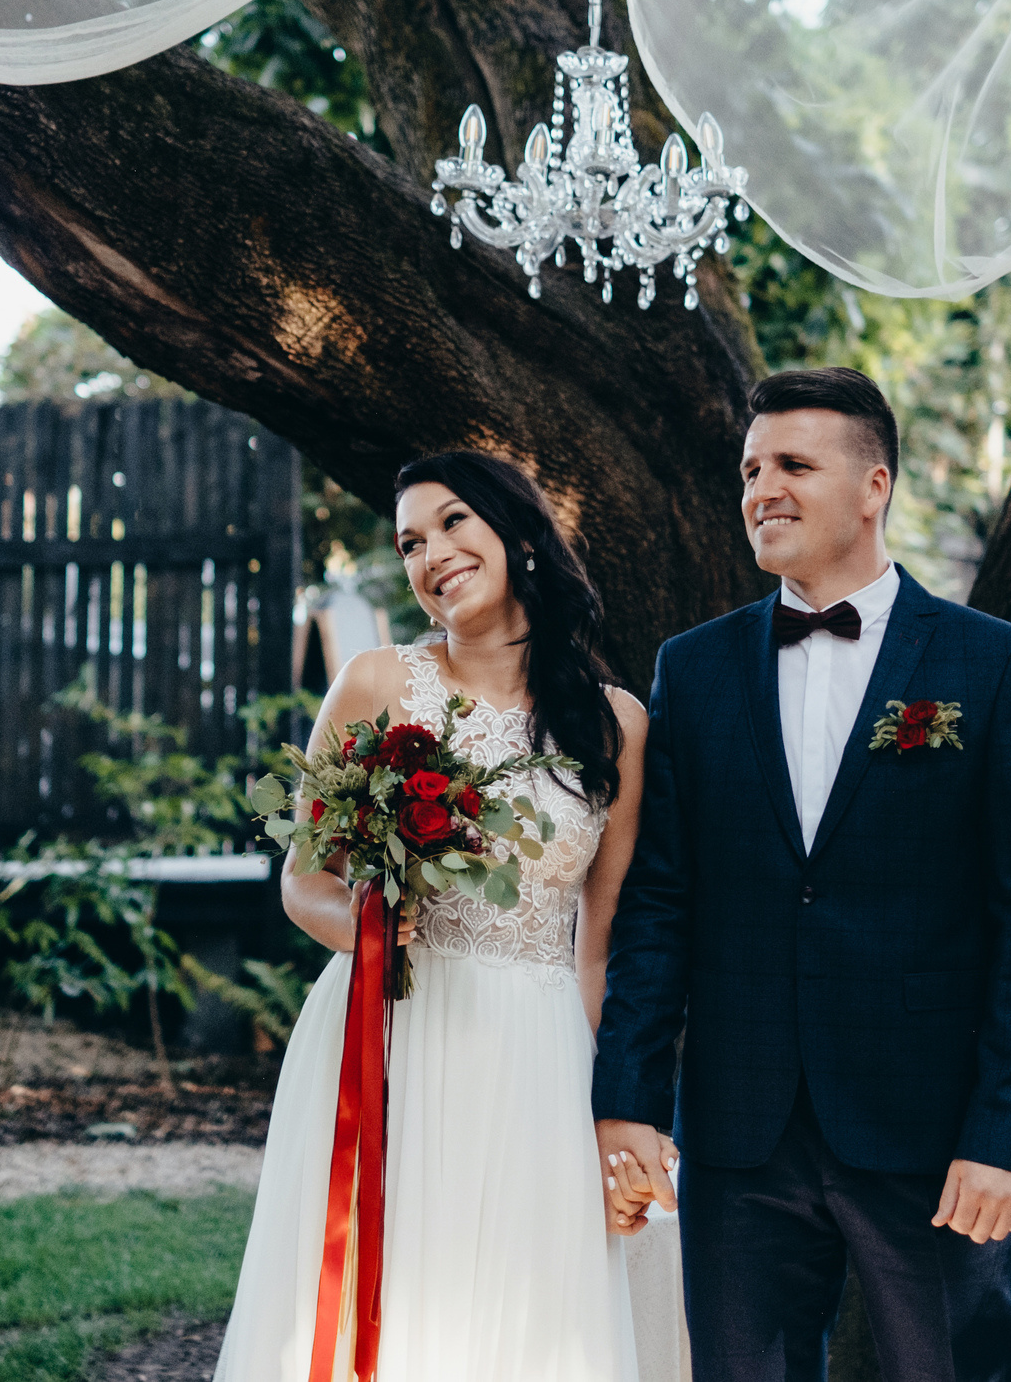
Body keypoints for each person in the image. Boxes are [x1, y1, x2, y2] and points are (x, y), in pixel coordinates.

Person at [593, 367, 1011, 1382]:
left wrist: (1006, 1134)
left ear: (873, 486)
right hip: (738, 1130)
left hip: (934, 1127)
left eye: (793, 465)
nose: (761, 487)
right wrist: (627, 1099)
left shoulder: (996, 666)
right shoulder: (692, 667)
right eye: (750, 469)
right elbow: (661, 901)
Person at [214, 450, 654, 1382]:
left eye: (454, 522)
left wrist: (620, 1107)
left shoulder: (618, 724)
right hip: (388, 1031)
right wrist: (369, 930)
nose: (432, 553)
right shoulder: (378, 683)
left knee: (526, 1304)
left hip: (539, 1052)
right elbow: (304, 879)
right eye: (411, 541)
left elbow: (601, 946)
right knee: (384, 1286)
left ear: (520, 536)